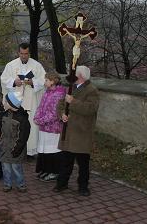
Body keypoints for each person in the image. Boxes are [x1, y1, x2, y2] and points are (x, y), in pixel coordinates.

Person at [54, 66, 99, 196]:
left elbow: (90, 109)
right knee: (66, 161)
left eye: (75, 75)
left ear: (81, 77)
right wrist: (62, 114)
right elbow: (61, 104)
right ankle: (62, 183)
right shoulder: (72, 87)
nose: (72, 77)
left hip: (82, 132)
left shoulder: (92, 91)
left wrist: (73, 101)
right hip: (69, 132)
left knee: (83, 163)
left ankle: (83, 187)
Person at [0, 43, 45, 156]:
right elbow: (3, 79)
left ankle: (30, 151)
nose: (24, 56)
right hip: (15, 103)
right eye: (22, 54)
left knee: (31, 126)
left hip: (31, 102)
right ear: (18, 53)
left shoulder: (37, 66)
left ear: (29, 53)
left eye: (26, 54)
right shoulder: (10, 65)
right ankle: (15, 149)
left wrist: (33, 82)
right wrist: (14, 82)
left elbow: (44, 81)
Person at [34, 72, 66, 182]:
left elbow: (54, 113)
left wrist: (41, 120)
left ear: (53, 81)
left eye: (46, 80)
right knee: (44, 150)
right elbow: (41, 106)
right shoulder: (47, 92)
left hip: (53, 128)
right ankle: (46, 170)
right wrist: (36, 117)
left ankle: (54, 172)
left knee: (52, 151)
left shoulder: (59, 94)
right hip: (44, 127)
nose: (45, 82)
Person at [0, 91, 30, 192]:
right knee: (5, 167)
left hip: (16, 148)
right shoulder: (4, 114)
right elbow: (1, 129)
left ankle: (20, 184)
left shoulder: (22, 119)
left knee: (16, 167)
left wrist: (17, 149)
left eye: (6, 101)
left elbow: (23, 137)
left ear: (12, 104)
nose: (4, 103)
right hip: (4, 146)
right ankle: (7, 184)